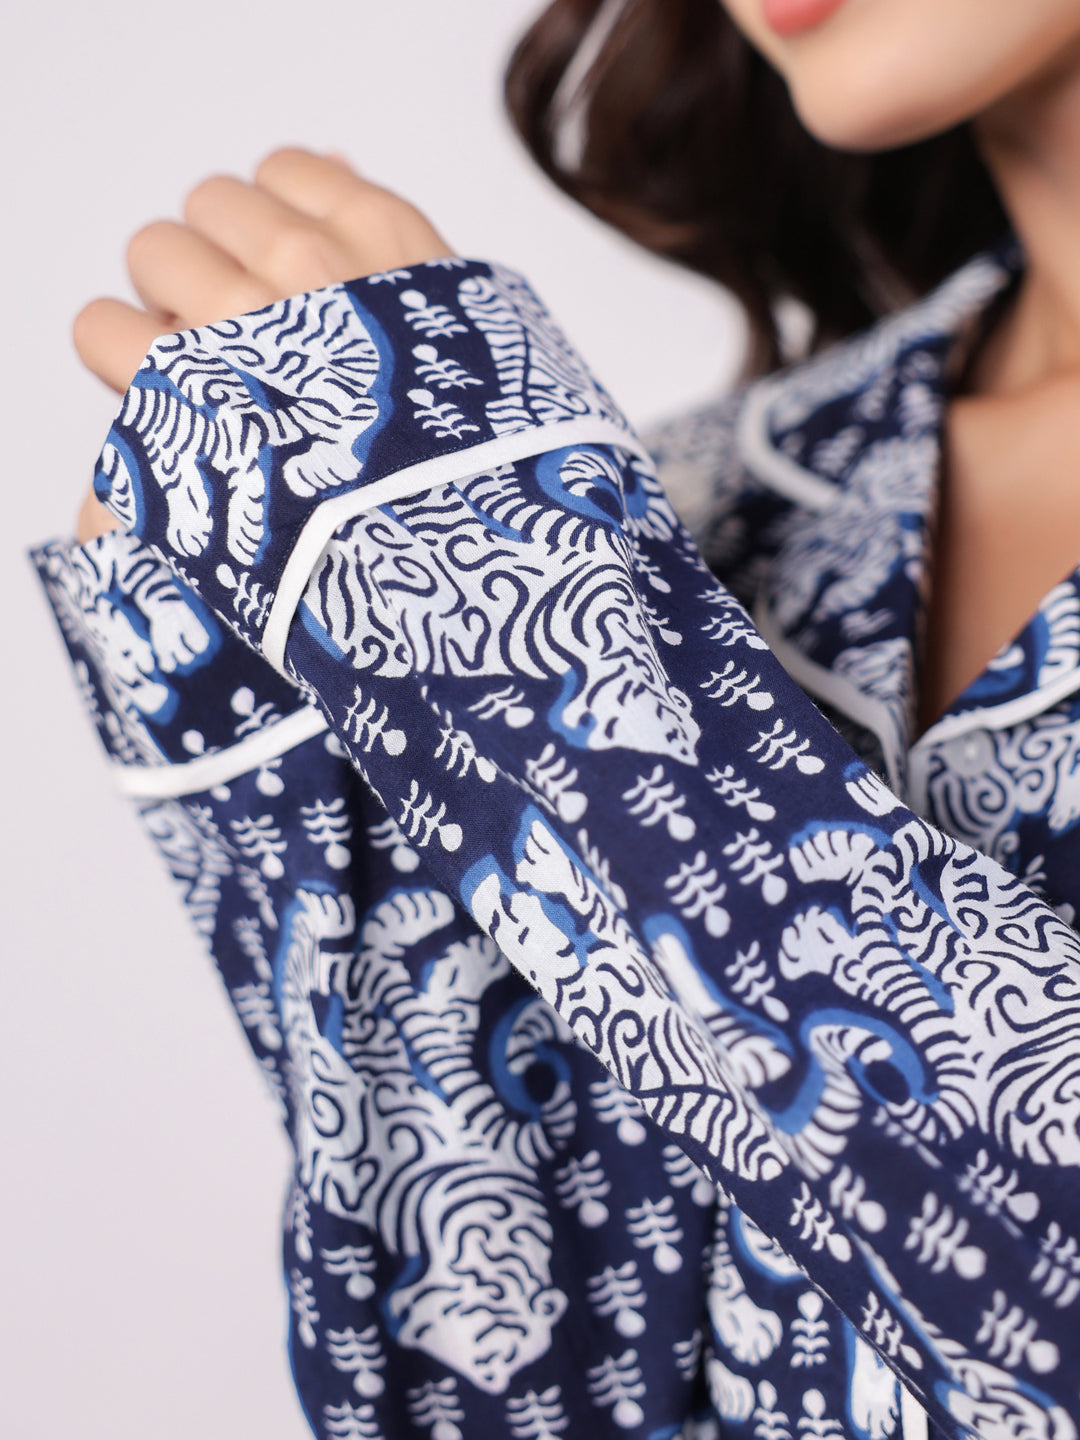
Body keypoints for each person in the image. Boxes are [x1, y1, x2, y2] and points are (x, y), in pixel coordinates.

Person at [32, 1, 1080, 1436]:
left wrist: (486, 577)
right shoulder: (706, 507)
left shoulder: (533, 522)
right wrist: (305, 737)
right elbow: (511, 1387)